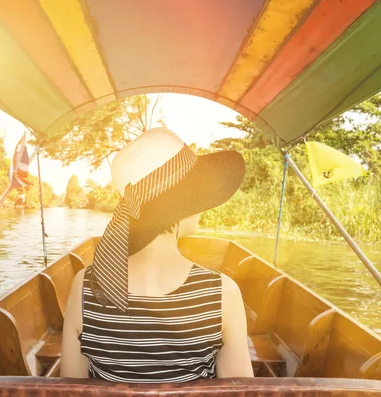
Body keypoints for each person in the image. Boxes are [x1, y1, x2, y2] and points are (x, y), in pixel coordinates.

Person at [61, 127, 253, 382]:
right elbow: (239, 390)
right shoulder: (222, 292)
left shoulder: (85, 286)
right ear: (184, 206)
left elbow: (71, 386)